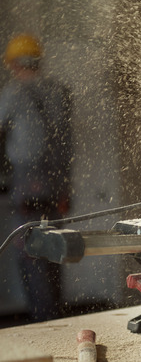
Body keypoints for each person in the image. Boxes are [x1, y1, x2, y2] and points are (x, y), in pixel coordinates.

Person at [1, 33, 73, 321]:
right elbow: (66, 144)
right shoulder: (60, 91)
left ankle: (43, 323)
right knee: (55, 252)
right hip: (58, 186)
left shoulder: (13, 94)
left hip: (26, 183)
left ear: (14, 63)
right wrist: (65, 188)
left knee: (30, 255)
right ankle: (55, 317)